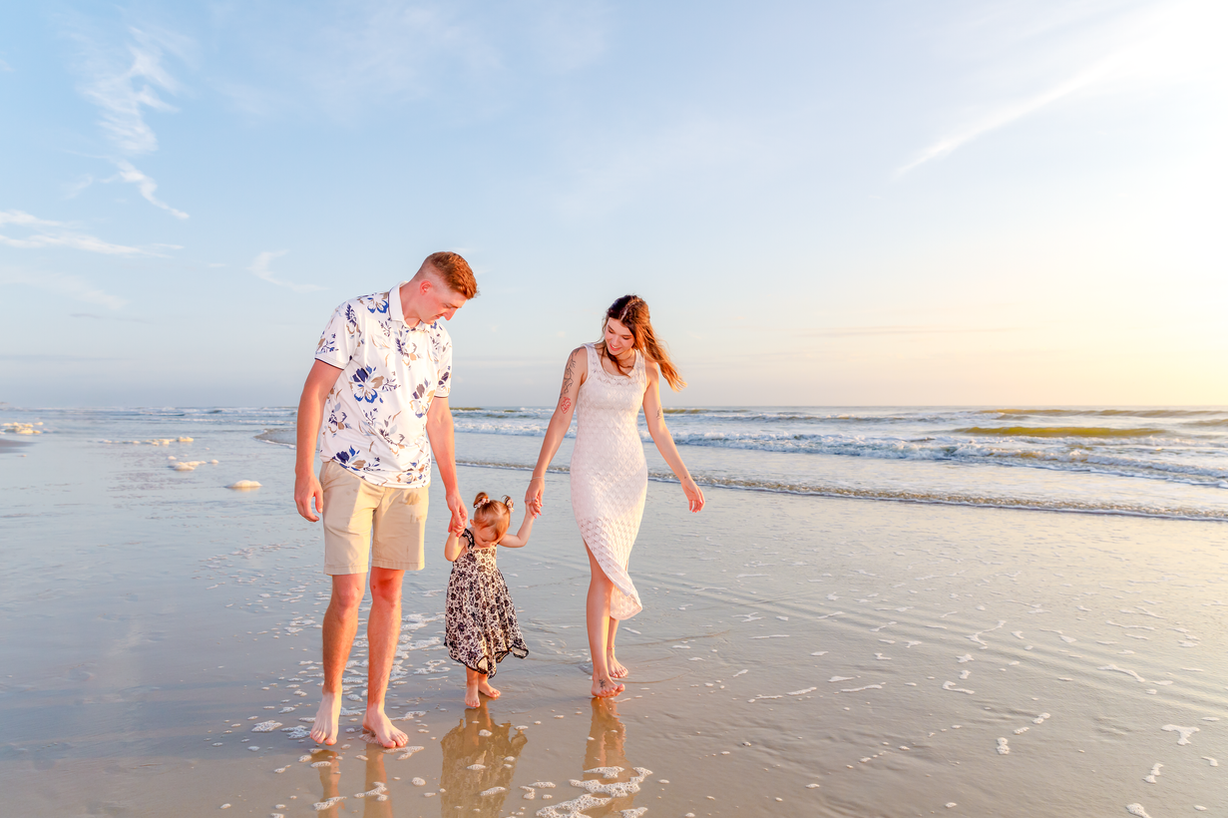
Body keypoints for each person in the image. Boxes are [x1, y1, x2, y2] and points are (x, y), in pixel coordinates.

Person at [293, 251, 477, 748]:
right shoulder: (356, 315)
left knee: (389, 591)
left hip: (410, 480)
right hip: (349, 468)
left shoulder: (440, 339)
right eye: (449, 304)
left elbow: (438, 417)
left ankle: (375, 708)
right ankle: (331, 695)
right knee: (349, 594)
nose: (451, 315)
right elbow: (314, 391)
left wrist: (453, 487)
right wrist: (303, 472)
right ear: (424, 287)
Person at [526, 294, 705, 698]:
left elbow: (658, 426)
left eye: (624, 336)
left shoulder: (648, 369)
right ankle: (598, 672)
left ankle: (608, 650)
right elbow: (562, 414)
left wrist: (686, 478)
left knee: (616, 567)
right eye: (610, 330)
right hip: (589, 475)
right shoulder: (581, 359)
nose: (614, 341)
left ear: (639, 335)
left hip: (629, 478)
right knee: (603, 571)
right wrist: (538, 475)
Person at [444, 492, 534, 708]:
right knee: (473, 642)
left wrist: (529, 516)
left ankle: (482, 682)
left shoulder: (494, 535)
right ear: (473, 524)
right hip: (465, 600)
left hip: (489, 599)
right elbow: (450, 555)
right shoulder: (468, 536)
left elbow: (521, 540)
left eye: (494, 541)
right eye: (485, 539)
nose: (488, 544)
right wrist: (454, 533)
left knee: (487, 640)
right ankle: (471, 685)